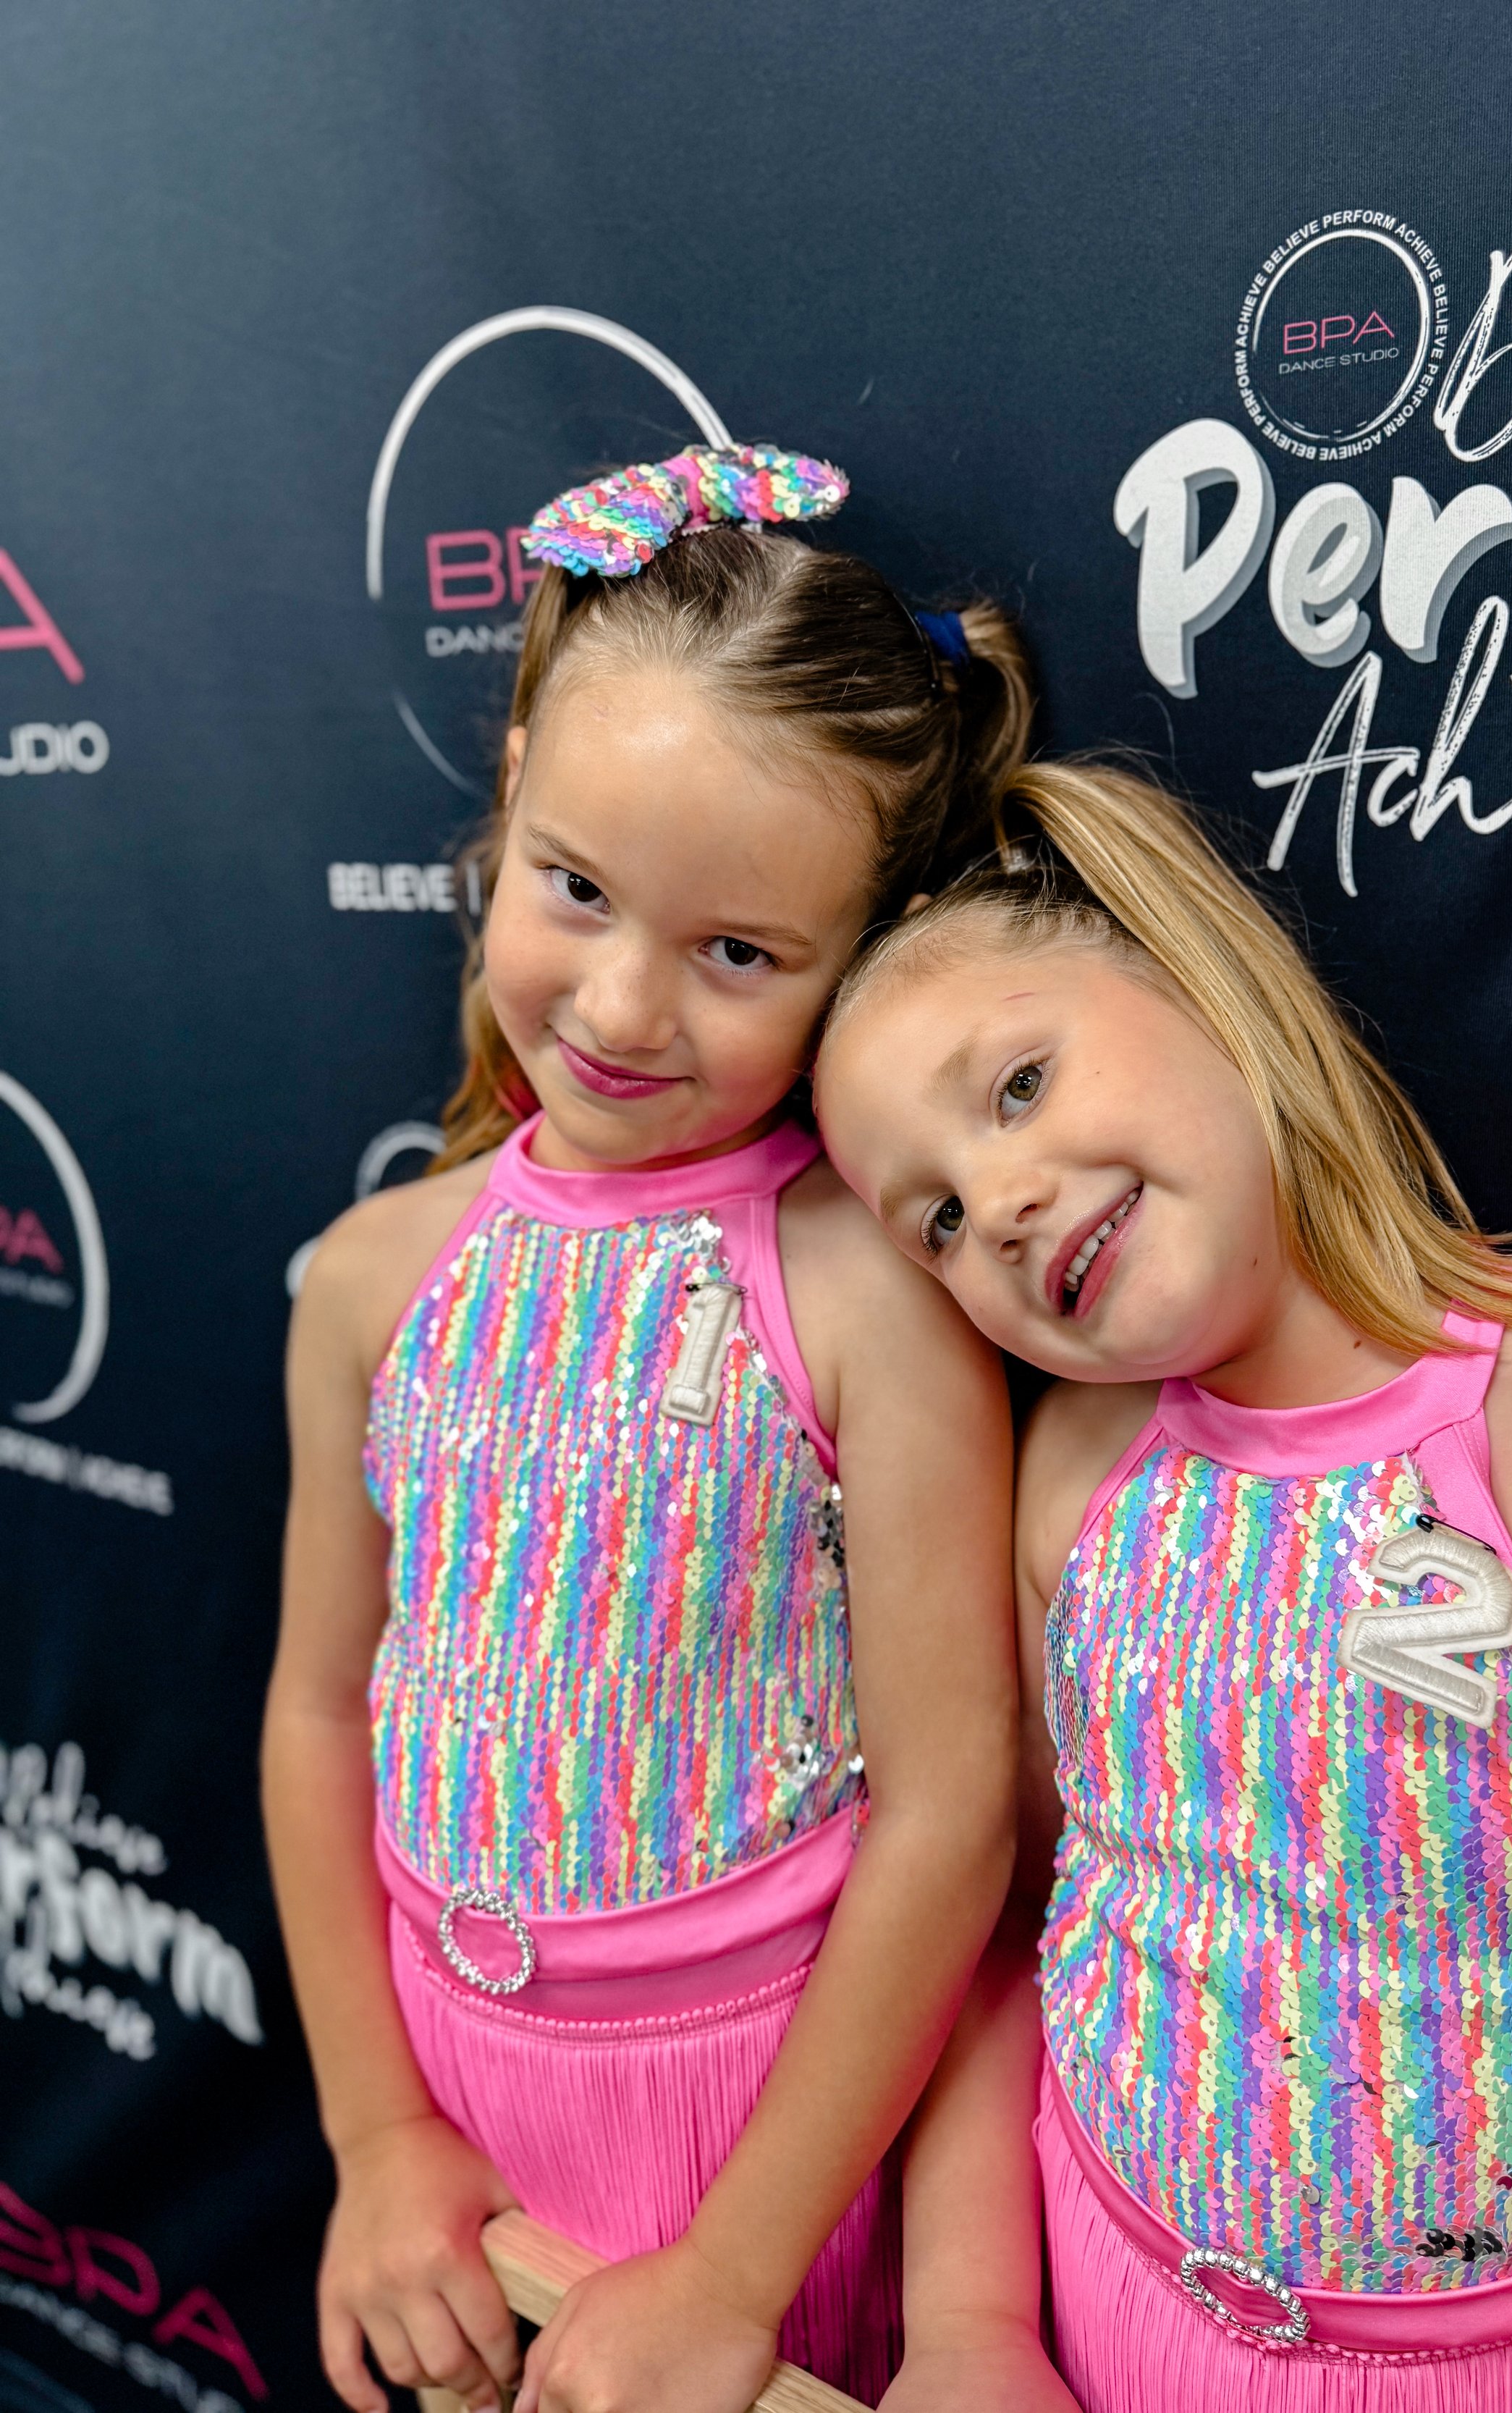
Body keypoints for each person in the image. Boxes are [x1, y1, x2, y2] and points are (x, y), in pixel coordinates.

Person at [816, 762, 1512, 2413]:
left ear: (1198, 975)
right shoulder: (1070, 1481)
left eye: (1018, 1085)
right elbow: (1022, 1929)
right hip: (1103, 2309)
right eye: (930, 1219)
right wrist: (971, 2322)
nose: (996, 1204)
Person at [262, 446, 1024, 2413]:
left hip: (772, 2128)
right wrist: (374, 2131)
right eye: (577, 889)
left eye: (737, 952)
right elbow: (323, 1709)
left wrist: (737, 2263)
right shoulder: (375, 1277)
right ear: (514, 787)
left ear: (864, 947)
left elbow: (954, 1808)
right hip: (451, 2093)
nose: (617, 1005)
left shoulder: (866, 1294)